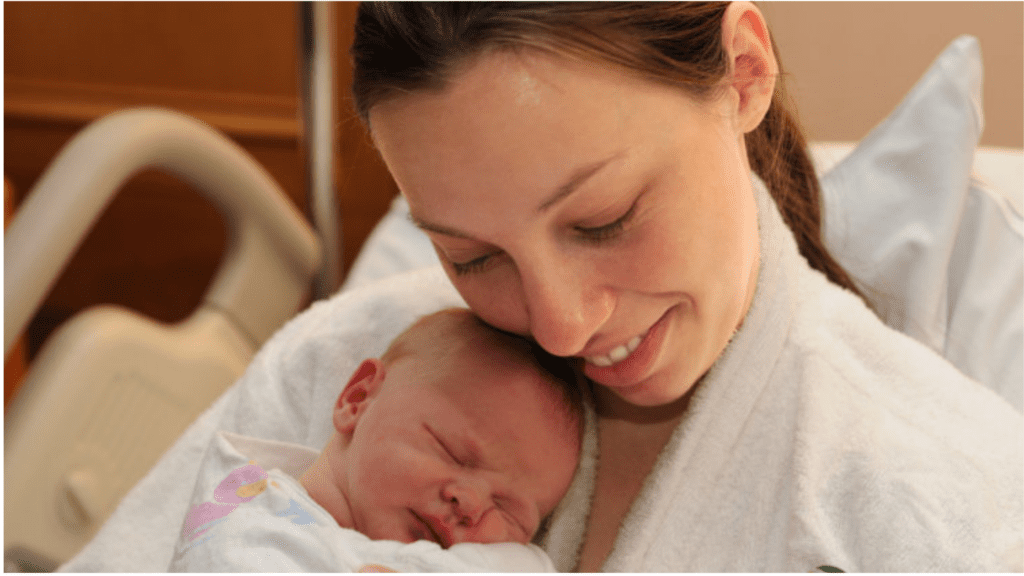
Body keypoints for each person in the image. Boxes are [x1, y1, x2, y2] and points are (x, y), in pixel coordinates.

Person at [350, 2, 1023, 572]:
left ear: (744, 74)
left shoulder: (944, 504)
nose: (562, 327)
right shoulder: (343, 365)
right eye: (472, 257)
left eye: (603, 220)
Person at [168, 308, 584, 572]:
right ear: (358, 398)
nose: (471, 504)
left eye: (512, 513)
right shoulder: (246, 522)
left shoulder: (500, 563)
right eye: (451, 451)